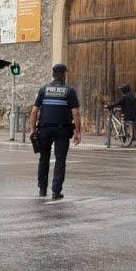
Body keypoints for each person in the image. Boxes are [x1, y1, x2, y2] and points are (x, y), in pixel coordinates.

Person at [29, 64, 82, 199]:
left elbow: (34, 111)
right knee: (60, 160)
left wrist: (32, 129)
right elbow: (75, 113)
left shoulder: (43, 90)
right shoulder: (69, 91)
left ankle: (42, 189)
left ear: (53, 74)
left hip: (45, 129)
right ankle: (56, 191)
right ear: (64, 74)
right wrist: (77, 132)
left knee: (44, 159)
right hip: (62, 130)